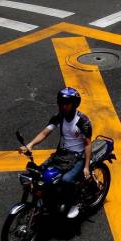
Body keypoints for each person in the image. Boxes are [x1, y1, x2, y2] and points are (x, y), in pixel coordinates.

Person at [18, 87, 92, 219]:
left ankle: (73, 203)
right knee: (40, 173)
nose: (62, 106)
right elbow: (45, 132)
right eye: (60, 103)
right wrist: (30, 145)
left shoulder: (83, 121)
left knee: (66, 180)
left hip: (78, 156)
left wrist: (86, 167)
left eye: (66, 103)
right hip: (62, 154)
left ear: (74, 104)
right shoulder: (60, 117)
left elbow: (87, 144)